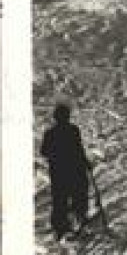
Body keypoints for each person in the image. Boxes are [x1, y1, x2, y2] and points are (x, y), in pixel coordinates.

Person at [40, 103, 92, 240]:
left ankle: (61, 227)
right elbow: (79, 149)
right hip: (75, 170)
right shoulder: (73, 130)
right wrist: (86, 163)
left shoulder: (50, 133)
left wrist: (56, 155)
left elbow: (44, 151)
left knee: (60, 199)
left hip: (58, 172)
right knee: (79, 195)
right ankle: (80, 220)